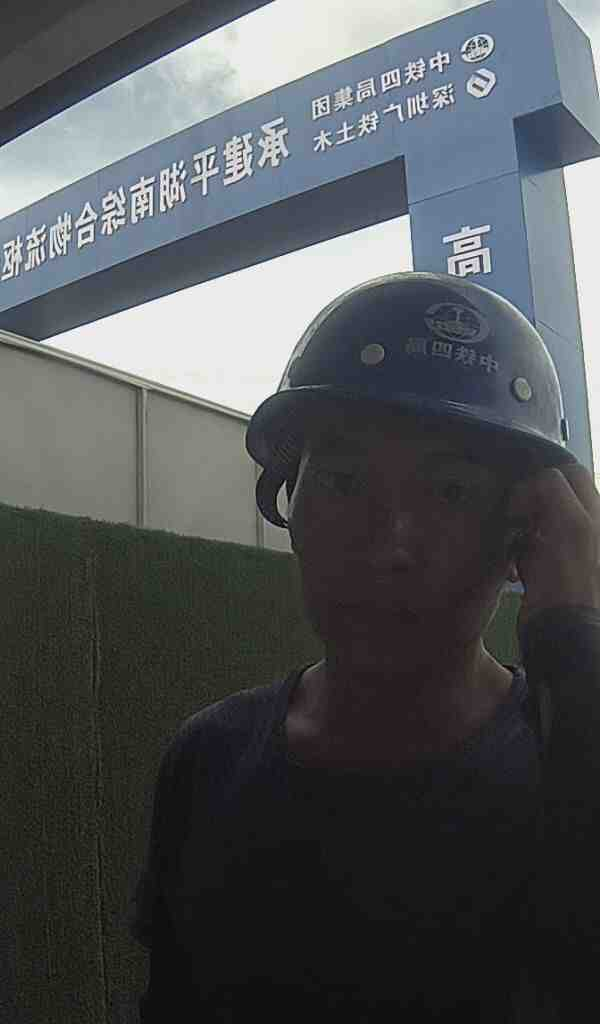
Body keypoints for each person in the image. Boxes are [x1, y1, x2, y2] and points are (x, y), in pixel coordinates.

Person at [130, 273, 600, 1021]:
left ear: (524, 537)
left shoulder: (570, 766)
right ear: (290, 504)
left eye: (450, 492)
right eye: (345, 481)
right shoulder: (208, 760)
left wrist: (575, 638)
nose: (390, 545)